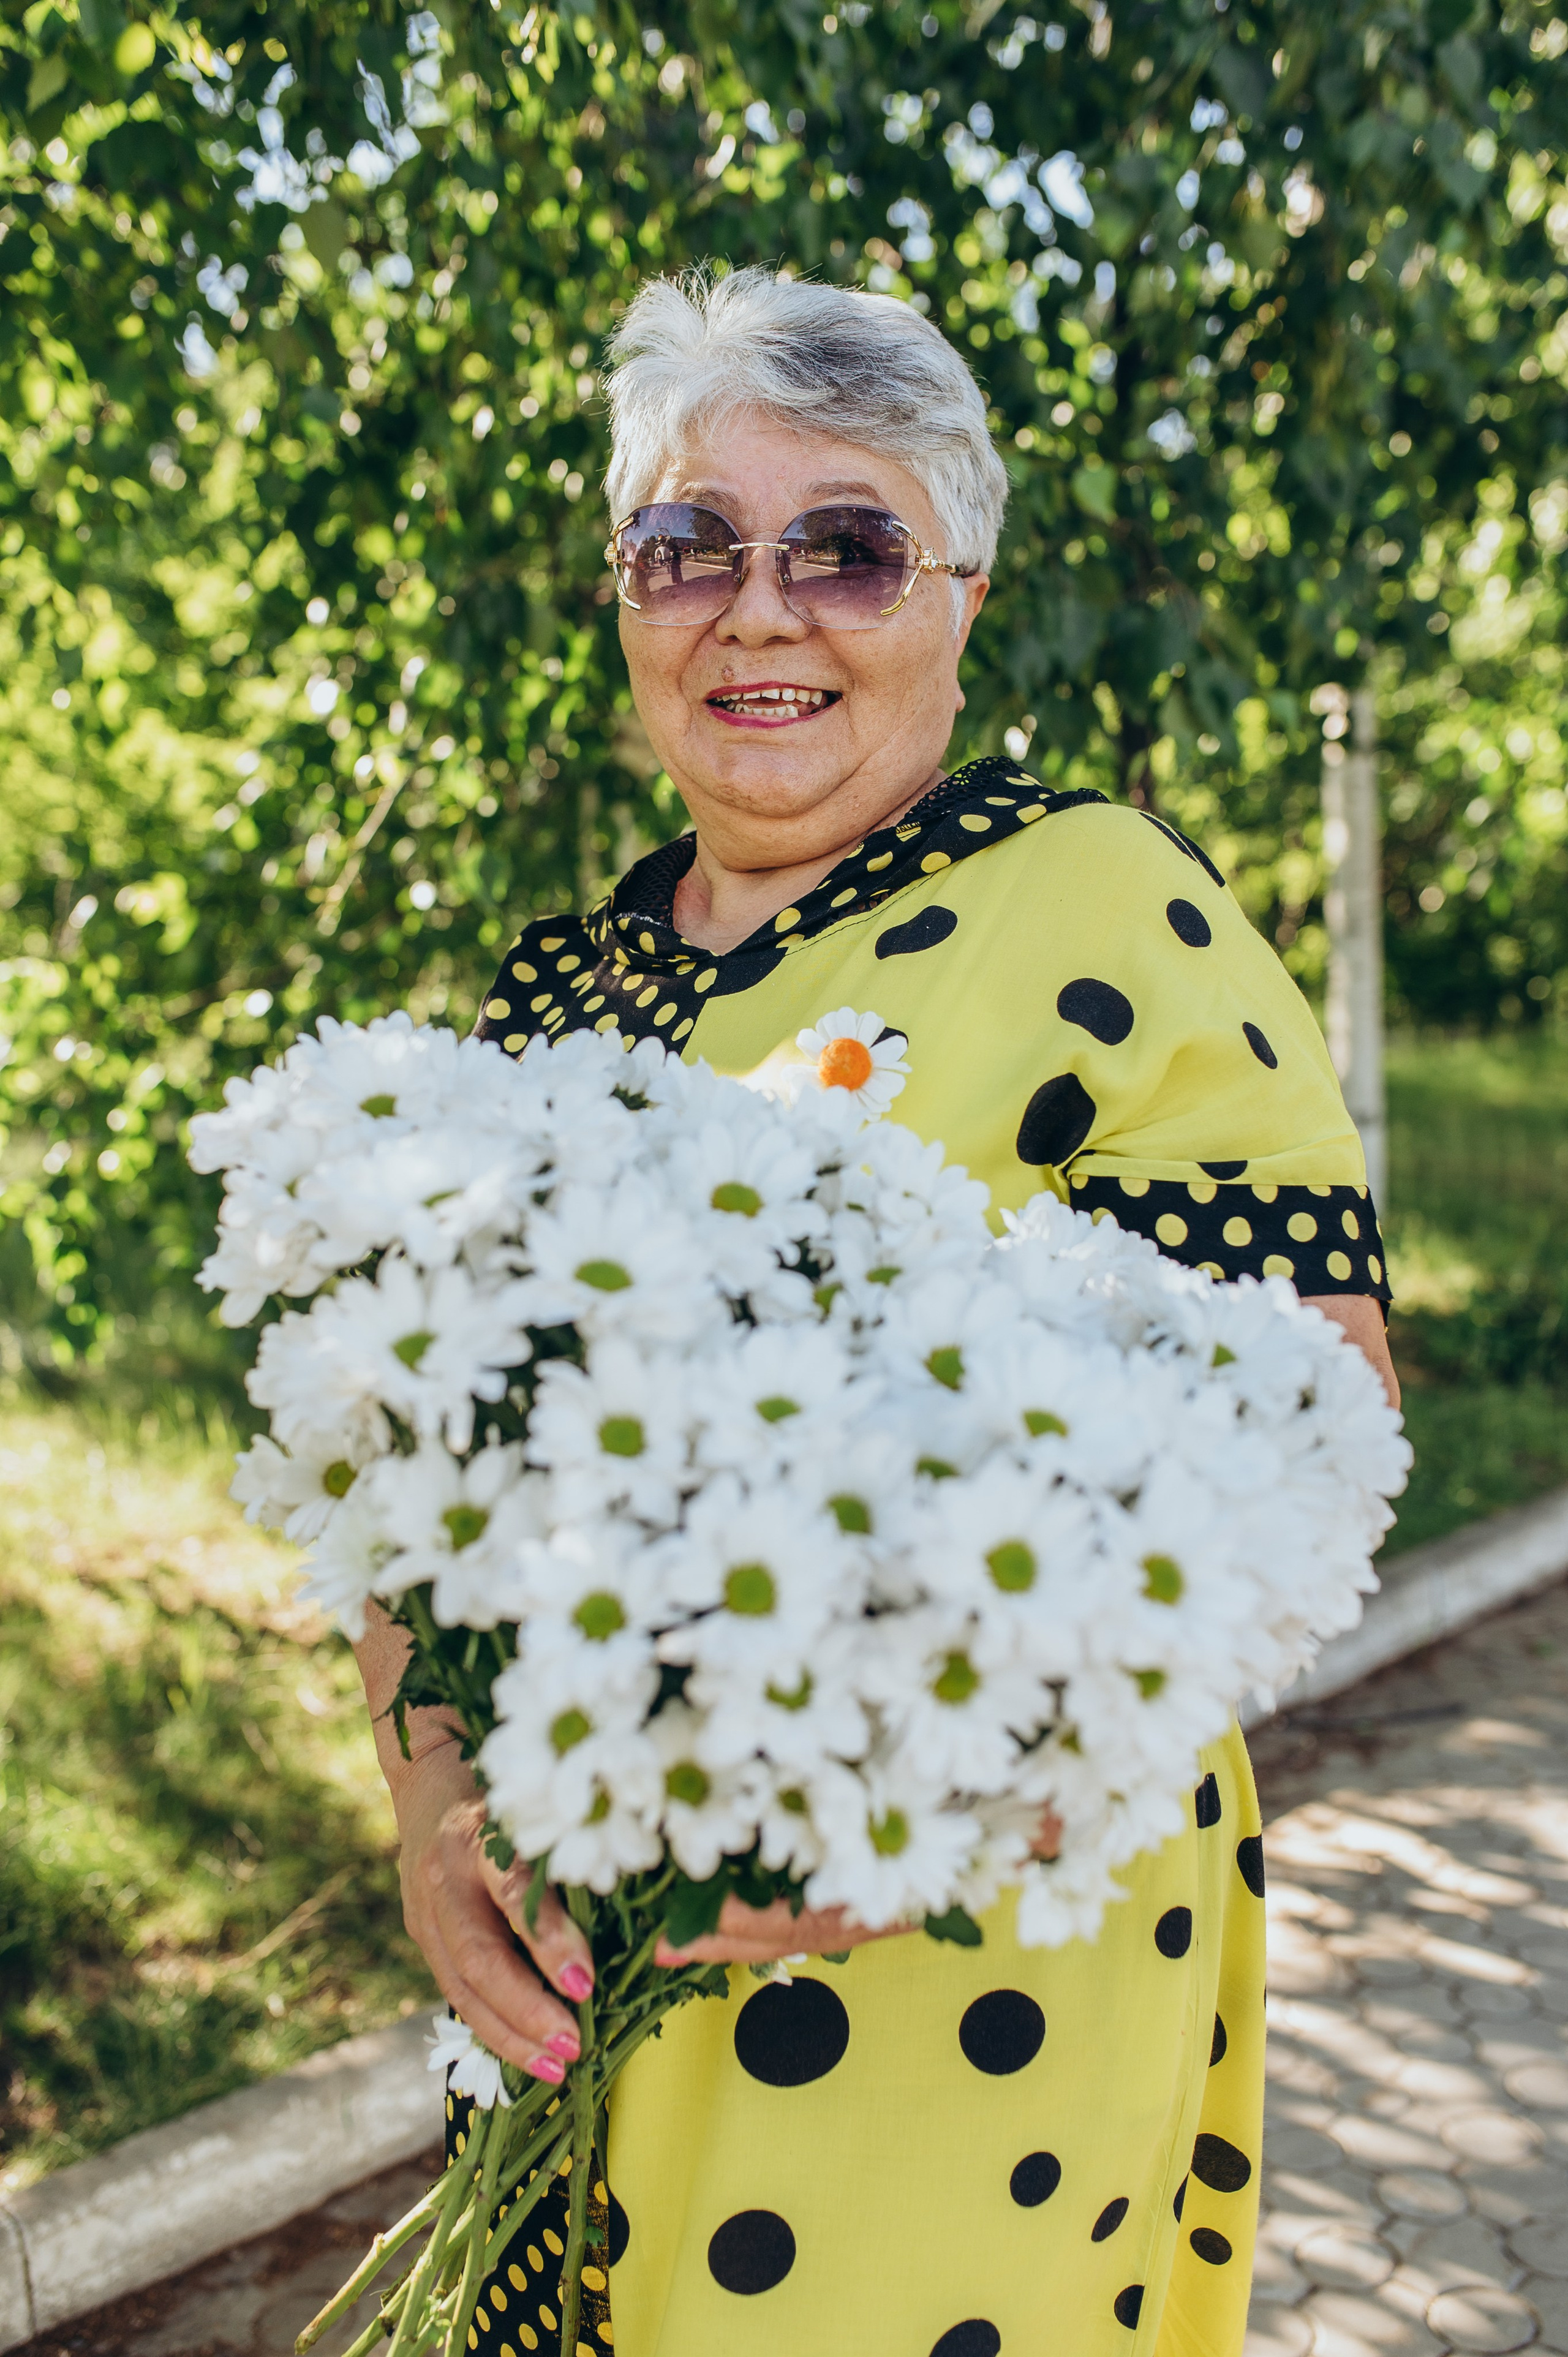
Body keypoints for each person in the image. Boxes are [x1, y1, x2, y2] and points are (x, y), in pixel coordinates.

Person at [354, 265, 1398, 2357]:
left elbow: (1312, 1439)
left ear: (964, 592)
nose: (758, 612)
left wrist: (899, 1830)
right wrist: (434, 1794)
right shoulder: (553, 994)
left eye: (845, 545)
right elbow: (410, 1464)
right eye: (687, 544)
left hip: (971, 1983)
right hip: (593, 1967)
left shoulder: (1105, 899)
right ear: (624, 595)